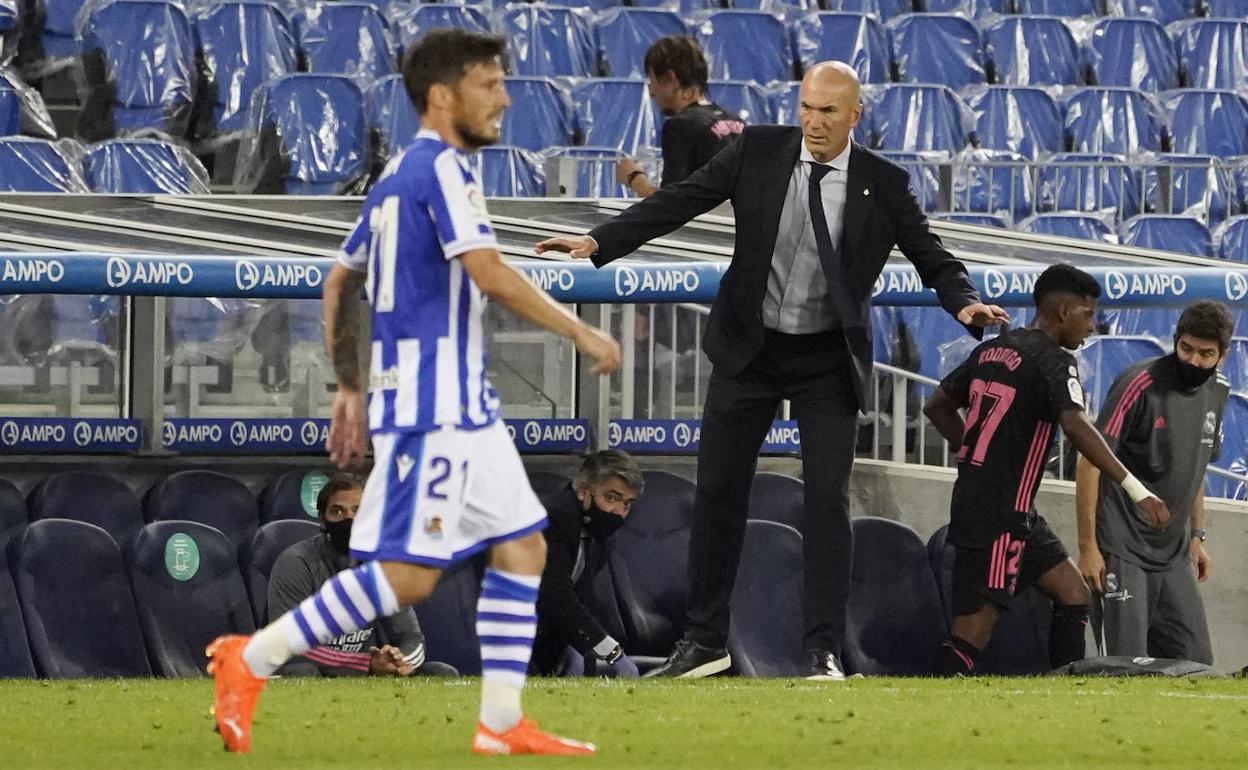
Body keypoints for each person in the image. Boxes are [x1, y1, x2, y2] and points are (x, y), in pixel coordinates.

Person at [205, 29, 620, 757]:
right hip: (434, 405)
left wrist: (347, 383)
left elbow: (341, 279)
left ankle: (499, 721)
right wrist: (581, 333)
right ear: (442, 95)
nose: (505, 97)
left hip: (462, 405)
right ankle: (254, 658)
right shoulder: (443, 172)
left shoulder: (396, 178)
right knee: (408, 576)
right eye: (489, 85)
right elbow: (489, 272)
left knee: (524, 547)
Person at [537, 60, 1009, 680]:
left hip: (825, 359)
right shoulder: (755, 151)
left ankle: (822, 651)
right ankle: (704, 642)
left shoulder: (882, 183)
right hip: (749, 349)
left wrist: (964, 302)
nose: (814, 121)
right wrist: (597, 243)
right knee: (718, 499)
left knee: (825, 507)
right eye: (807, 108)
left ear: (855, 115)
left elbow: (932, 256)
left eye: (829, 112)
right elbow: (679, 202)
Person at [923, 264, 1171, 676]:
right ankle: (929, 706)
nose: (1092, 326)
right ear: (1062, 312)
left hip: (1004, 506)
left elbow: (936, 406)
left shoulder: (990, 350)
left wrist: (973, 450)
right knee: (973, 631)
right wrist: (1136, 489)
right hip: (1001, 510)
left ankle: (1064, 689)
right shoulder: (1055, 361)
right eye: (1088, 315)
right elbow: (1075, 425)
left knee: (1074, 593)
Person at [1075, 300, 1232, 665]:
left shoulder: (1217, 392)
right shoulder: (1138, 384)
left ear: (1222, 356)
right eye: (1186, 348)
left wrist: (1197, 536)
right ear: (1175, 340)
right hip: (1122, 549)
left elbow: (1196, 469)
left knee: (1196, 667)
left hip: (1173, 555)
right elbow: (1089, 463)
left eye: (1205, 354)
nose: (1193, 360)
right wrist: (1088, 548)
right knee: (1123, 667)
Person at [267, 473, 456, 678]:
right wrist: (365, 664)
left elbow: (411, 637)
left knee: (442, 673)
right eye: (338, 511)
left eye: (359, 511)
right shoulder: (297, 563)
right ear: (323, 520)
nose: (349, 519)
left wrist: (398, 662)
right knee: (302, 672)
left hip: (367, 674)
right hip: (307, 673)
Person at [531, 451, 644, 677]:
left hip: (552, 636)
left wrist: (579, 645)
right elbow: (554, 595)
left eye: (627, 504)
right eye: (611, 498)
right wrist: (611, 652)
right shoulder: (556, 519)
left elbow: (580, 596)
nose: (619, 512)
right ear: (583, 491)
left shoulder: (599, 531)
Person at [614, 36, 744, 198]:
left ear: (670, 78)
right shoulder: (737, 121)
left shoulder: (679, 126)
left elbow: (669, 204)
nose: (651, 91)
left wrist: (634, 177)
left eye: (652, 80)